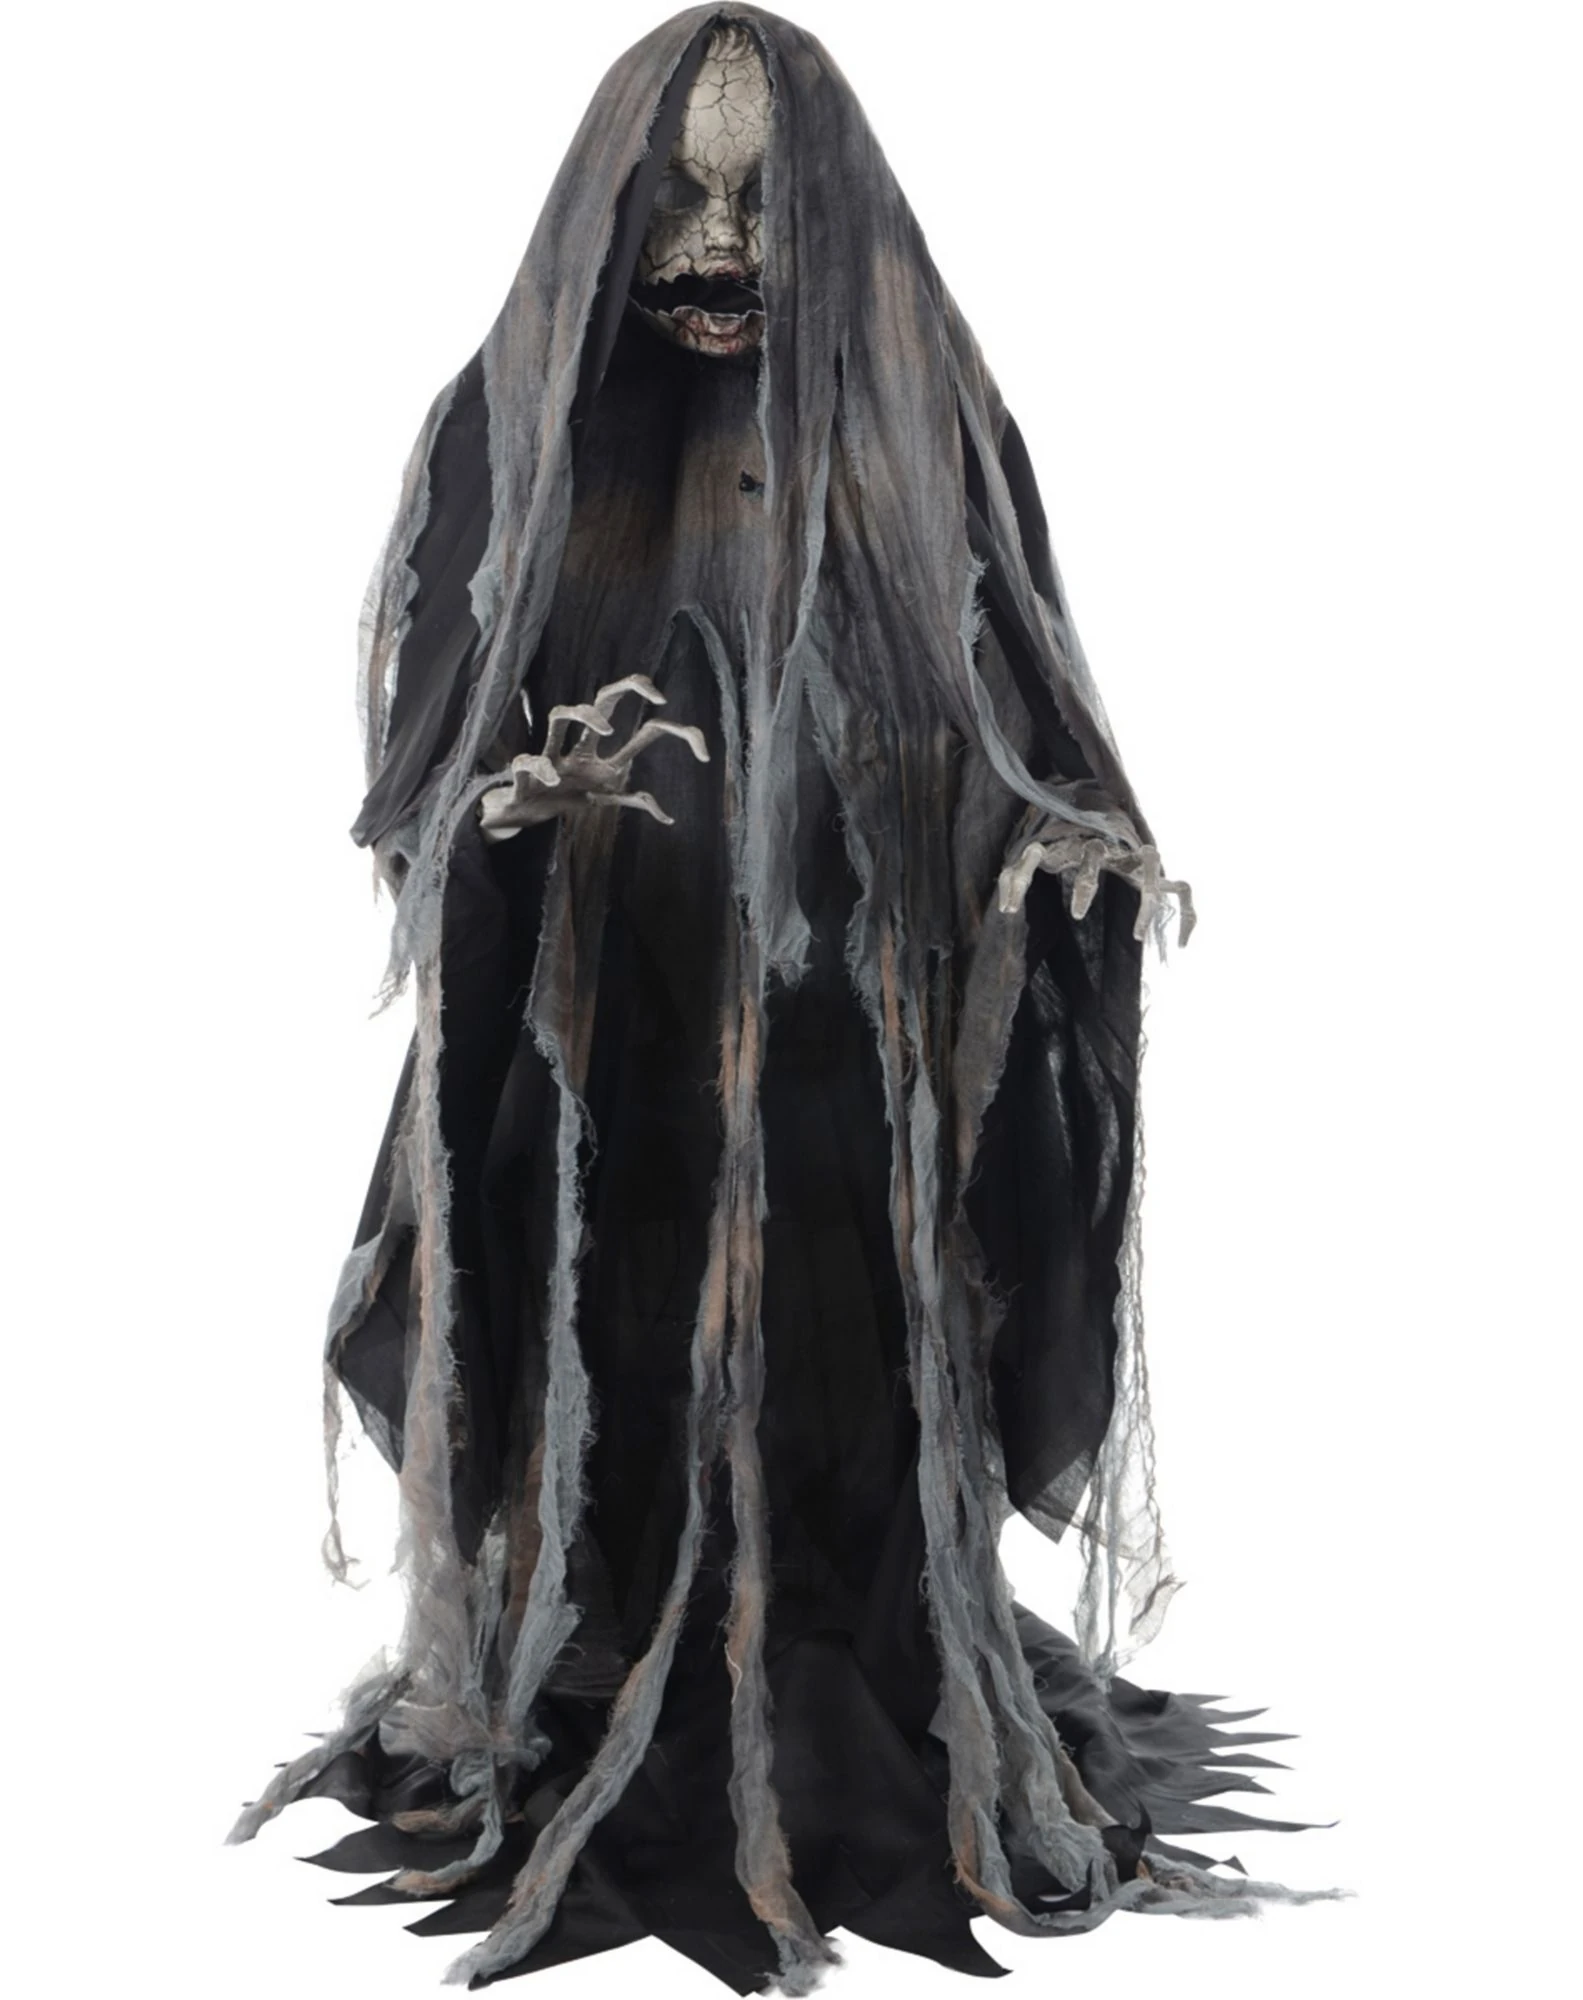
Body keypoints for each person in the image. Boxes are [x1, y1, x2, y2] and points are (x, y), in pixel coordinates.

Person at [227, 10, 1330, 1990]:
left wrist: (1050, 857)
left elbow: (1012, 707)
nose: (715, 247)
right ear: (607, 211)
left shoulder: (924, 429)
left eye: (755, 200)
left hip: (852, 1087)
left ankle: (855, 1678)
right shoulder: (513, 433)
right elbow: (425, 769)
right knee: (617, 1362)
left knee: (851, 1379)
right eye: (675, 197)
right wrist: (507, 811)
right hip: (607, 1072)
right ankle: (599, 1677)